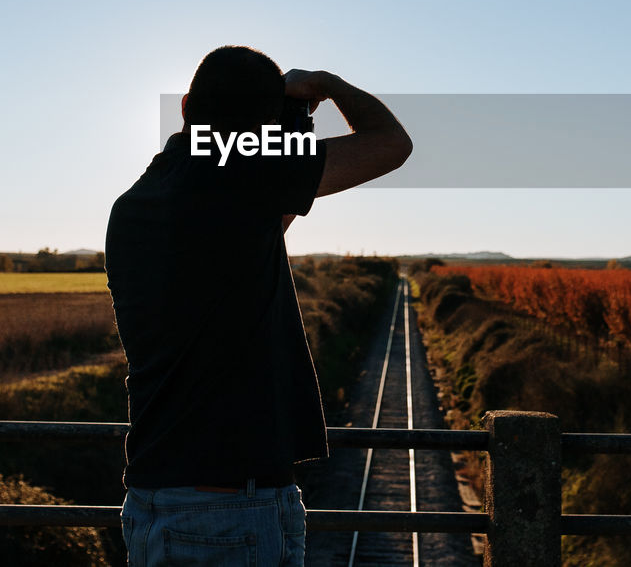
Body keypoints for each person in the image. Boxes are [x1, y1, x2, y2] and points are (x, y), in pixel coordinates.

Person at [106, 45, 411, 566]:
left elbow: (272, 221)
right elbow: (391, 144)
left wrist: (282, 127)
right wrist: (327, 86)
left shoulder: (138, 199)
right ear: (264, 128)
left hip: (163, 491)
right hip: (226, 505)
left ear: (185, 107)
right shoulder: (243, 177)